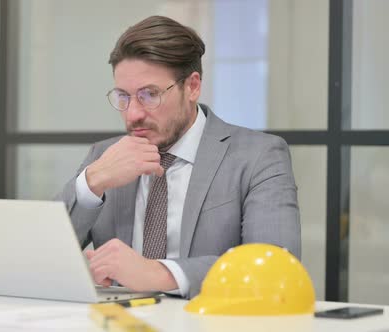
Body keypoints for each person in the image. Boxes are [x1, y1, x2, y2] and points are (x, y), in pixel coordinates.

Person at [55, 15, 300, 299]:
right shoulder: (105, 156)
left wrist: (158, 273)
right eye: (123, 96)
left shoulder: (258, 156)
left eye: (149, 94)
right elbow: (36, 254)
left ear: (193, 86)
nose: (133, 114)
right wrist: (92, 181)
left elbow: (276, 266)